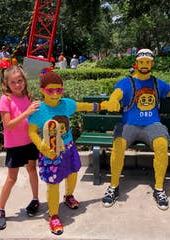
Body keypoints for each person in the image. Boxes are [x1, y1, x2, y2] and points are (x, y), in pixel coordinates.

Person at [28, 71, 108, 235]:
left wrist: (101, 106)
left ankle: (69, 196)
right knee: (53, 183)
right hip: (51, 151)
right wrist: (41, 146)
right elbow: (32, 132)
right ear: (42, 90)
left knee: (73, 173)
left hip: (69, 147)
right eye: (51, 91)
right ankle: (53, 216)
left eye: (59, 90)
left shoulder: (65, 104)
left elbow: (82, 106)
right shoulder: (38, 110)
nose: (56, 94)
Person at [102, 49, 170, 210]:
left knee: (162, 146)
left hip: (152, 125)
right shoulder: (127, 82)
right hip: (129, 125)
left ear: (152, 63)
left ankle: (159, 188)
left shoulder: (157, 83)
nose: (144, 65)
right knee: (118, 146)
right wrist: (113, 100)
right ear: (137, 63)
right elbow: (117, 93)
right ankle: (113, 186)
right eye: (142, 62)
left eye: (148, 62)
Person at [0, 65, 41, 230]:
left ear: (24, 81)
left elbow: (31, 119)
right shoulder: (5, 99)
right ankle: (0, 209)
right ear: (7, 84)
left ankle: (35, 199)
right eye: (13, 82)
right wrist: (27, 112)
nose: (17, 85)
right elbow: (9, 125)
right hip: (14, 145)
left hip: (29, 142)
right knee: (11, 178)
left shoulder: (27, 96)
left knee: (32, 170)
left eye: (20, 81)